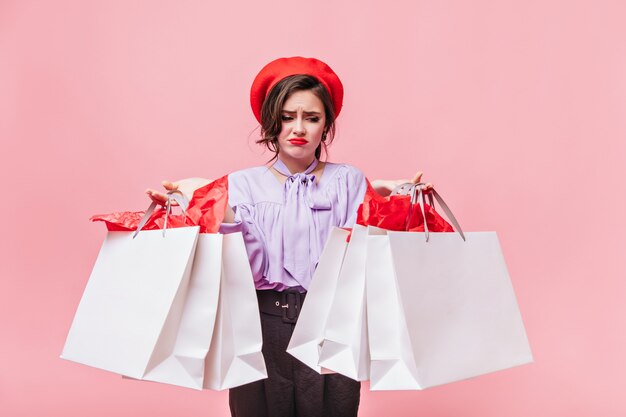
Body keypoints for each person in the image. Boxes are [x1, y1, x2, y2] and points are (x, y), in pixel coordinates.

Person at [146, 56, 431, 417]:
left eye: (312, 118)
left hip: (331, 325)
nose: (299, 128)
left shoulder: (348, 180)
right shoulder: (241, 184)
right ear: (271, 122)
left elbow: (357, 256)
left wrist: (399, 199)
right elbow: (246, 267)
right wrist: (201, 200)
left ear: (326, 124)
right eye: (287, 117)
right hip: (259, 325)